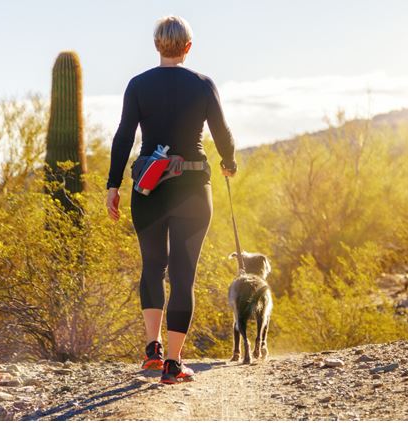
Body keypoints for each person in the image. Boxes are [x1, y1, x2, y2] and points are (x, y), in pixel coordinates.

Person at [105, 15, 237, 384]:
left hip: (148, 188)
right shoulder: (203, 85)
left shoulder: (138, 85)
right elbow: (222, 133)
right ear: (188, 47)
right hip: (193, 187)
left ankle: (152, 350)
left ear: (156, 45)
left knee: (152, 267)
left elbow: (123, 137)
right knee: (182, 276)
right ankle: (174, 365)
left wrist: (112, 185)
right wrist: (229, 163)